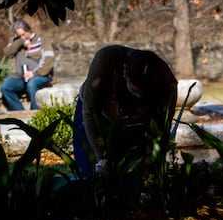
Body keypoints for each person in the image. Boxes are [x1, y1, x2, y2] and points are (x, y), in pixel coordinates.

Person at [73, 45, 178, 178]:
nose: (139, 94)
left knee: (136, 173)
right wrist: (101, 159)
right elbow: (89, 112)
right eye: (136, 90)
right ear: (124, 72)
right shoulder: (106, 59)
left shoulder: (166, 82)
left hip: (136, 121)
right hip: (96, 116)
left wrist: (154, 158)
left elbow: (163, 124)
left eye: (144, 92)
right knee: (90, 173)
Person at [0, 19, 54, 110]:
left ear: (29, 30)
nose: (22, 37)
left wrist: (34, 73)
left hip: (40, 75)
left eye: (23, 34)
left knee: (32, 84)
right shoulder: (17, 42)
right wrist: (21, 42)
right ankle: (20, 113)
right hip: (20, 77)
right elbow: (6, 53)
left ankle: (34, 115)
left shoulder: (41, 41)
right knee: (5, 87)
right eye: (19, 35)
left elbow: (49, 59)